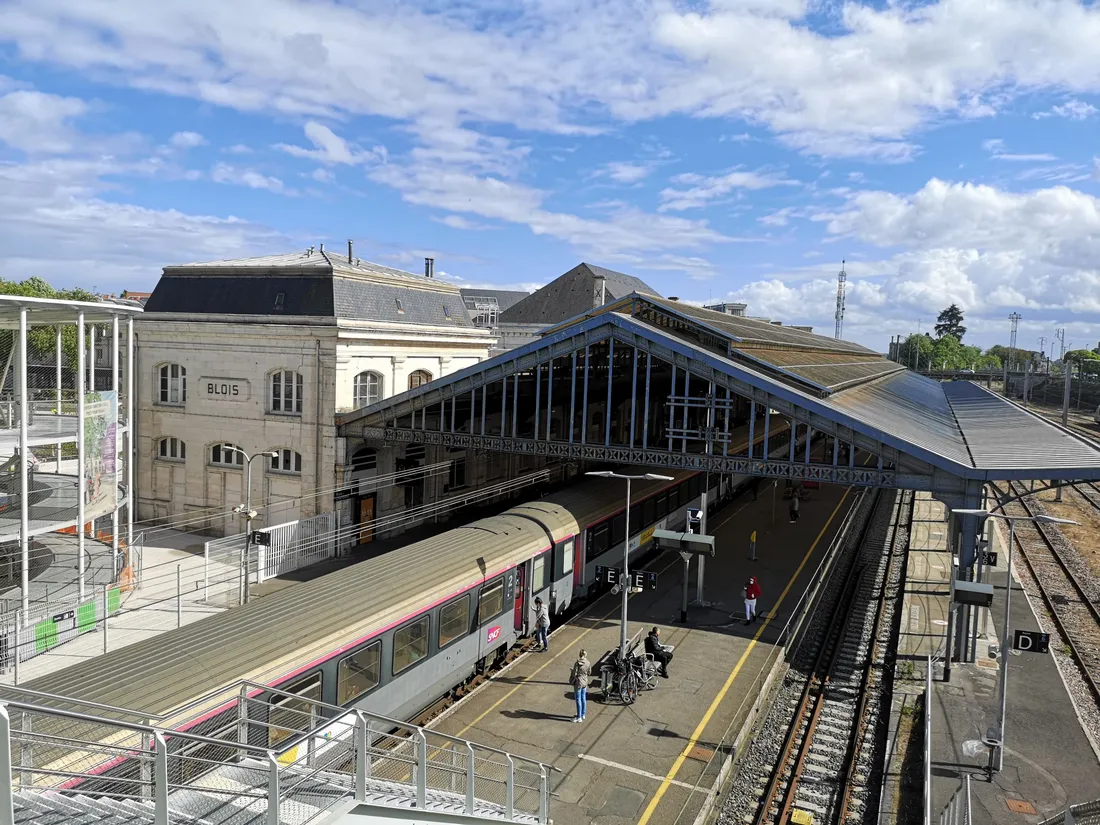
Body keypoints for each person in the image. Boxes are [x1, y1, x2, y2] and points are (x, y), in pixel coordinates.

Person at [570, 649, 590, 722]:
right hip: (585, 682)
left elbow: (574, 674)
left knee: (578, 699)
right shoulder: (588, 662)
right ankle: (583, 714)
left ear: (579, 655)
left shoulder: (577, 663)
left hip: (578, 683)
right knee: (583, 698)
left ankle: (579, 717)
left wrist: (572, 671)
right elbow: (589, 672)